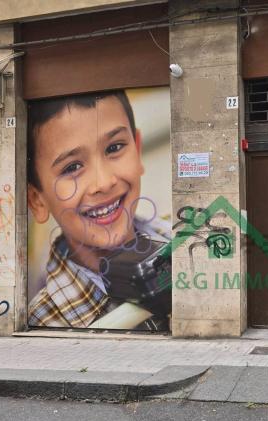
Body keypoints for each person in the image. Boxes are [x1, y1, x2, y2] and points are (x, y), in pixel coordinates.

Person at [26, 90, 169, 330]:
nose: (103, 183)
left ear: (137, 149)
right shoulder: (46, 323)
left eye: (114, 148)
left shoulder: (185, 243)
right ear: (37, 200)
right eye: (72, 167)